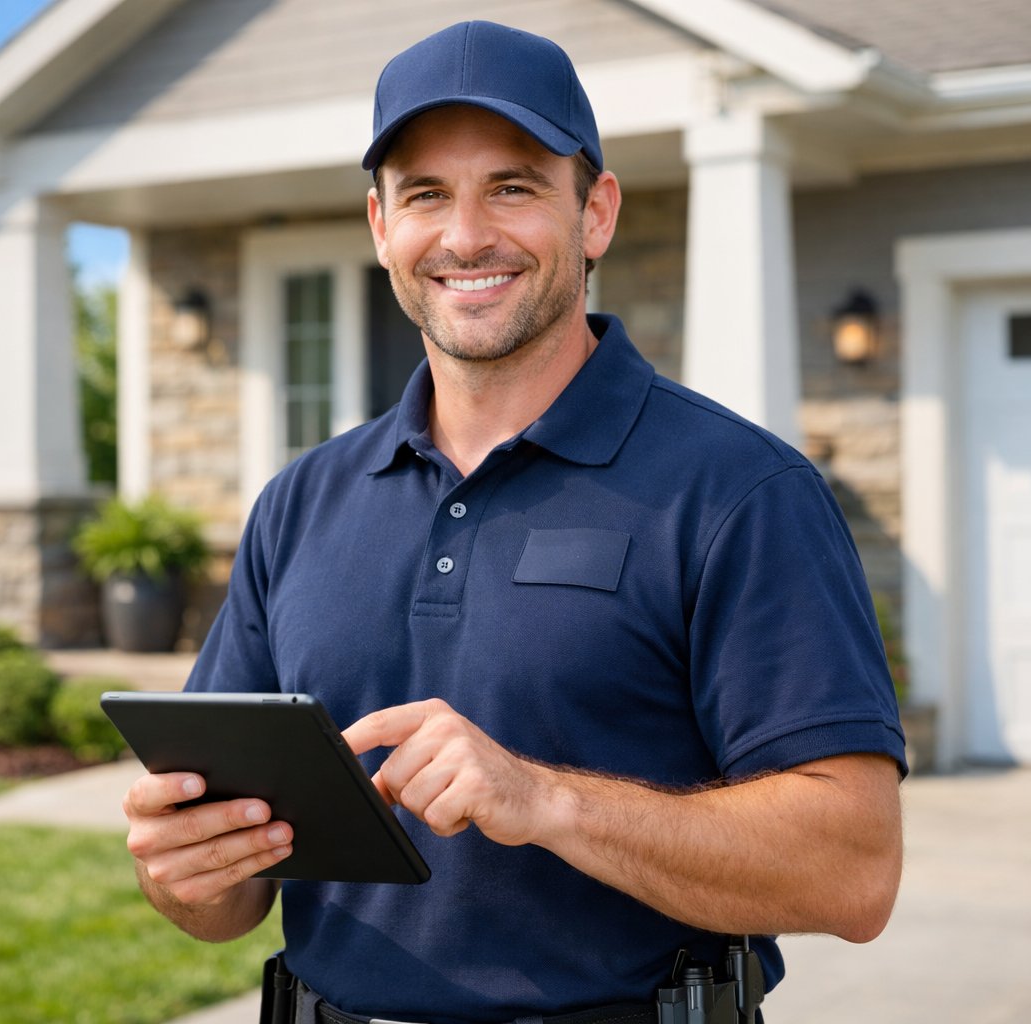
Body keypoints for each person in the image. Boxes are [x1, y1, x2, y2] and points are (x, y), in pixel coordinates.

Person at [123, 20, 906, 1024]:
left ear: (597, 212)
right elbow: (227, 903)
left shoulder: (740, 491)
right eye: (425, 195)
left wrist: (546, 801)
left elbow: (854, 870)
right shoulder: (301, 502)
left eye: (514, 186)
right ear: (379, 226)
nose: (464, 236)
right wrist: (186, 868)